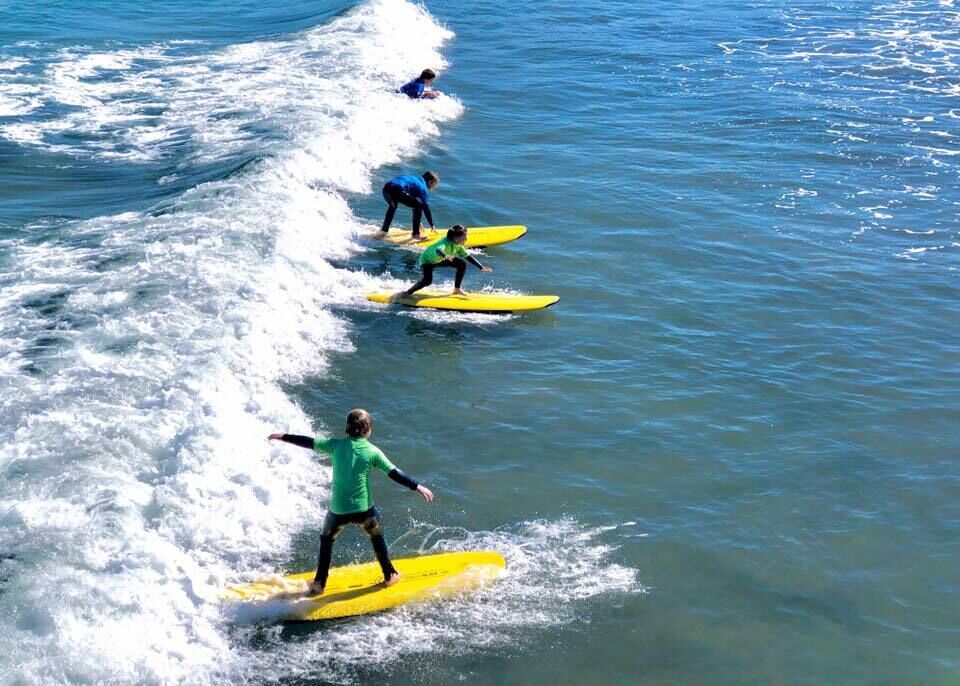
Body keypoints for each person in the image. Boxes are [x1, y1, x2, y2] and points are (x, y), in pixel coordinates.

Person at [267, 408, 434, 595]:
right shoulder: (372, 451)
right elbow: (394, 473)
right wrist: (417, 486)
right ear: (367, 429)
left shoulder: (334, 445)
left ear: (347, 427)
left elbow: (308, 442)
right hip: (364, 511)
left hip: (338, 512)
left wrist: (283, 436)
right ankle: (390, 575)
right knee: (376, 537)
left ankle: (319, 583)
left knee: (326, 540)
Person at [403, 225, 493, 297]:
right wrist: (445, 256)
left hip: (440, 259)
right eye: (464, 236)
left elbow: (468, 256)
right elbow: (438, 250)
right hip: (427, 261)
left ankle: (456, 289)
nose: (466, 238)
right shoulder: (445, 243)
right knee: (427, 281)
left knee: (461, 264)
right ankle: (408, 292)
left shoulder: (458, 245)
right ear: (456, 237)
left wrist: (481, 267)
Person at [380, 171, 439, 239]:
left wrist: (418, 222)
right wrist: (431, 224)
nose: (433, 187)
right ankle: (416, 234)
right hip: (397, 190)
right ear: (430, 182)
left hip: (387, 188)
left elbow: (413, 202)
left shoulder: (414, 179)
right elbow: (425, 208)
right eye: (434, 185)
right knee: (419, 206)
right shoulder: (423, 187)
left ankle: (383, 231)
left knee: (393, 207)